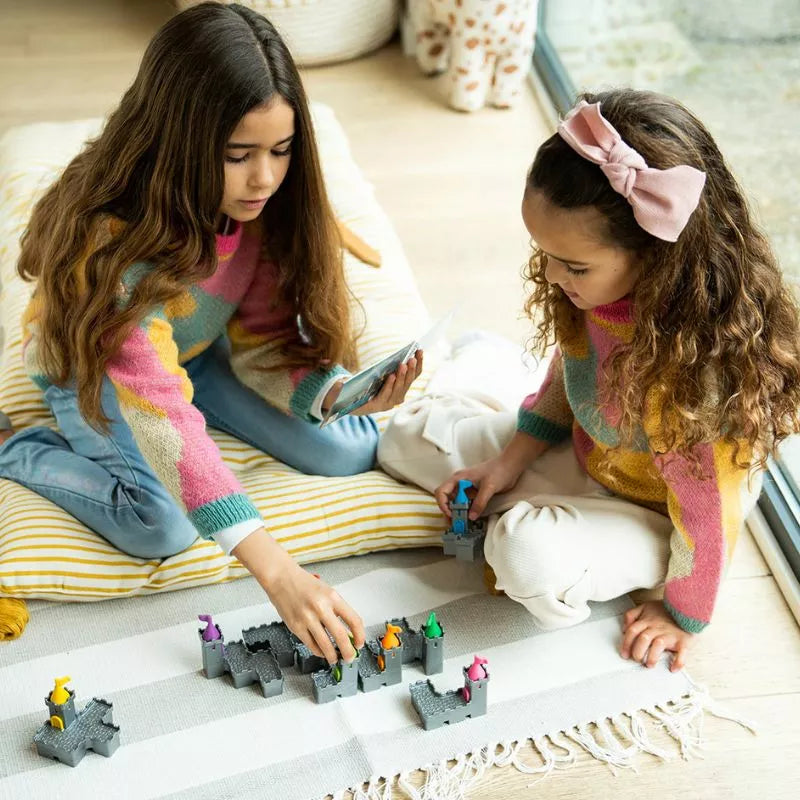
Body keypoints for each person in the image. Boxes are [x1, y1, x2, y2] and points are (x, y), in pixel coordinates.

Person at [0, 3, 423, 664]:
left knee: (347, 450)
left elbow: (261, 342)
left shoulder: (256, 210)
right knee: (160, 525)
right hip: (92, 365)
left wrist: (338, 394)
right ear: (181, 140)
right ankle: (14, 445)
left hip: (197, 352)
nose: (264, 178)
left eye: (281, 151)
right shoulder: (118, 248)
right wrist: (276, 570)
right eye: (238, 155)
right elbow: (159, 412)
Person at [378, 89, 800, 671]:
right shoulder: (595, 294)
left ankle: (550, 523)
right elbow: (568, 380)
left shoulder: (697, 376)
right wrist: (508, 462)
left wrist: (683, 616)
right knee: (404, 437)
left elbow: (706, 517)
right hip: (593, 456)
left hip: (665, 515)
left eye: (573, 266)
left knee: (522, 556)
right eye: (544, 254)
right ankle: (533, 498)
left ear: (656, 256)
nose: (552, 276)